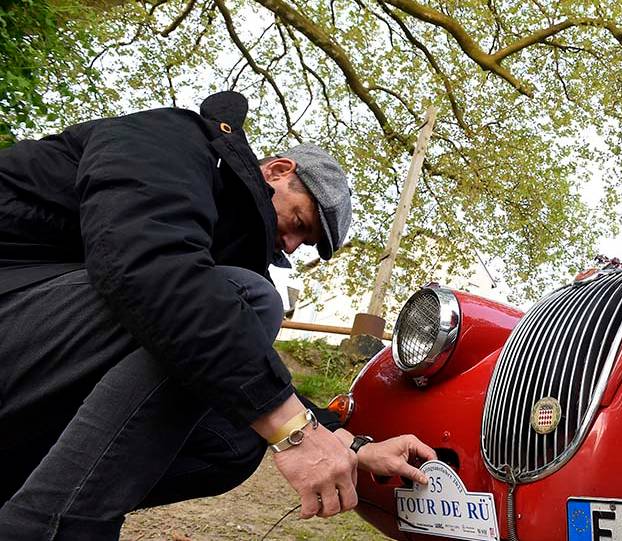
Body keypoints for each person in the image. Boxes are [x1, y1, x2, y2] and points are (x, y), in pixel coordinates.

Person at [0, 91, 433, 539]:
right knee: (244, 299)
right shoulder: (171, 141)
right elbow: (148, 271)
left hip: (34, 358)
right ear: (279, 170)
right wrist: (295, 432)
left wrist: (350, 445)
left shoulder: (216, 249)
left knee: (233, 439)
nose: (289, 247)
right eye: (299, 224)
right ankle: (51, 530)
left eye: (301, 244)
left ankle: (28, 502)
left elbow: (237, 358)